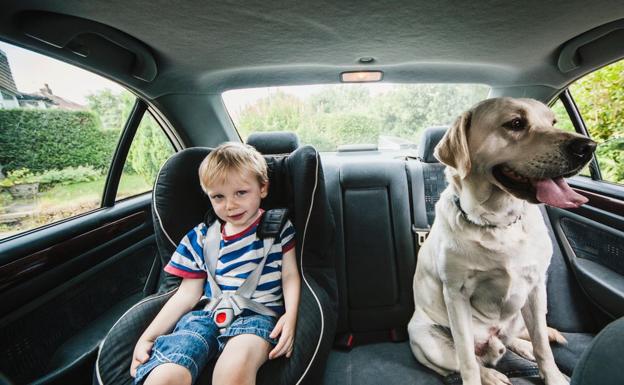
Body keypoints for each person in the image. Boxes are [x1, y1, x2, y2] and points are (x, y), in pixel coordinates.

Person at [130, 142, 300, 385]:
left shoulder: (279, 227)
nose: (230, 205)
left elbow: (290, 276)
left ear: (262, 188)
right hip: (204, 317)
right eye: (218, 197)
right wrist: (148, 337)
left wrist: (291, 316)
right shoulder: (200, 237)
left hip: (257, 316)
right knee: (164, 375)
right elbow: (187, 294)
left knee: (235, 369)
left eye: (241, 193)